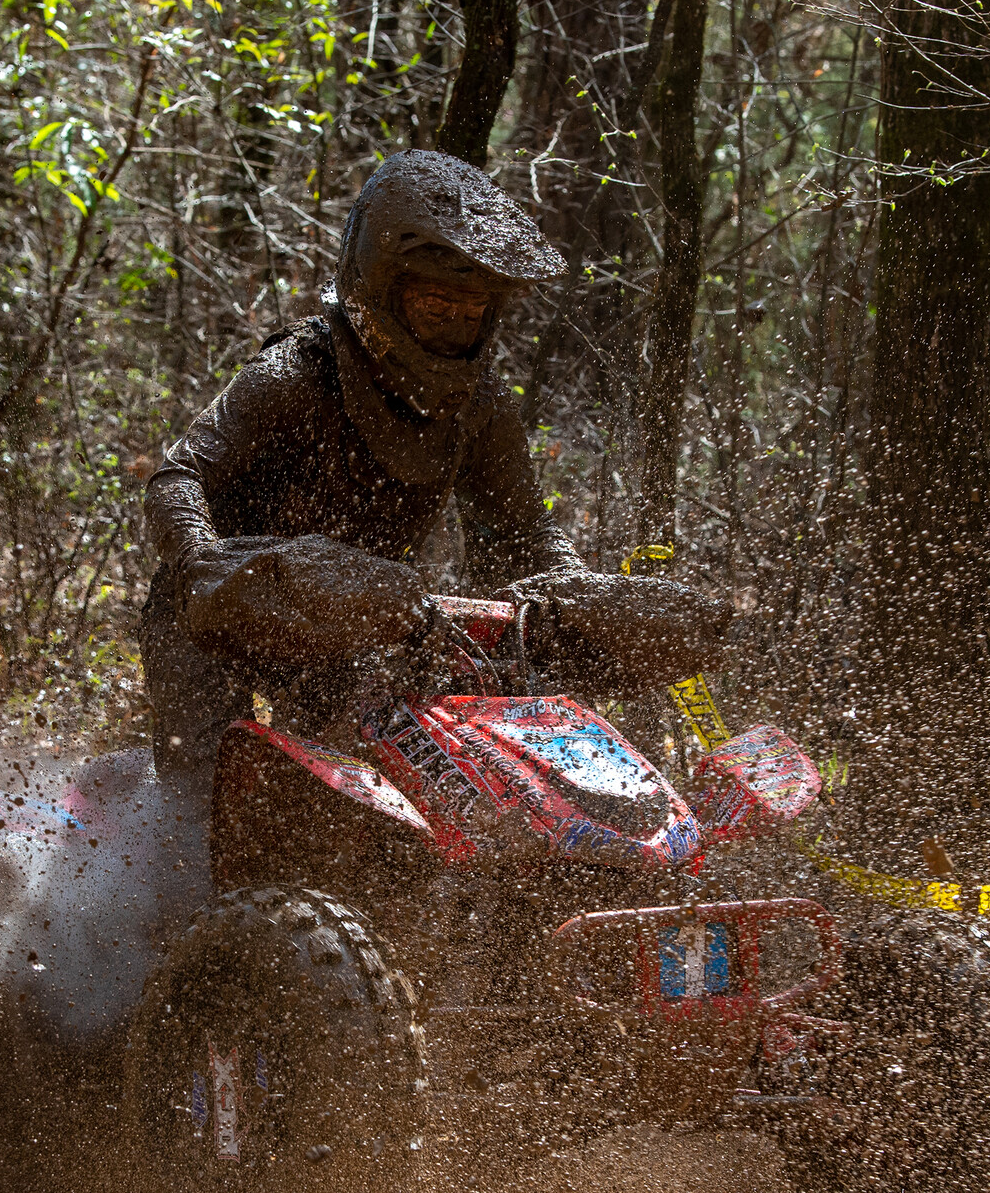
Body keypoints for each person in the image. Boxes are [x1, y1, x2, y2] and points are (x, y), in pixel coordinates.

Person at [141, 148, 729, 781]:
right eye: (437, 305)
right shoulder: (295, 372)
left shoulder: (479, 405)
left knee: (387, 798)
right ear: (384, 288)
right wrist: (201, 558)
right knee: (211, 796)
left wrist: (576, 595)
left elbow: (524, 532)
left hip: (357, 622)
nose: (456, 326)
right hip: (220, 612)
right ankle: (154, 868)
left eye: (473, 311)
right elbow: (180, 476)